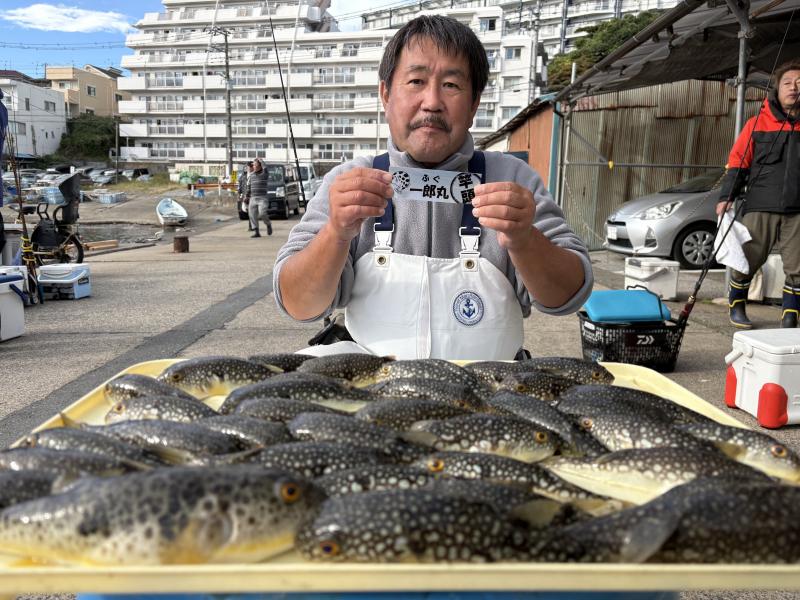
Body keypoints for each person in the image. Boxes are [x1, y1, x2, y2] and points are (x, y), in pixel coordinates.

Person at [273, 15, 592, 360]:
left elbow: (567, 297)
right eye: (416, 80)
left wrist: (524, 238)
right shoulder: (349, 181)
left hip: (488, 400)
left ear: (473, 105)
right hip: (375, 401)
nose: (432, 102)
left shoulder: (513, 179)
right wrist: (336, 232)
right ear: (385, 94)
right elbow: (297, 303)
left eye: (452, 85)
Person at [718, 59, 800, 329]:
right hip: (760, 204)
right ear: (776, 90)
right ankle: (736, 305)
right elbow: (738, 161)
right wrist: (725, 197)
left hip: (797, 209)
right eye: (787, 83)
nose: (794, 87)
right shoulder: (757, 123)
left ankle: (791, 315)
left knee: (798, 268)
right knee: (748, 259)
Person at [246, 158, 272, 238]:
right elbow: (249, 186)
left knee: (262, 213)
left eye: (255, 165)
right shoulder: (251, 175)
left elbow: (266, 168)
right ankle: (257, 232)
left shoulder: (264, 174)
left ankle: (268, 224)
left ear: (260, 166)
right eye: (253, 165)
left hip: (262, 198)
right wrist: (247, 196)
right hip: (253, 198)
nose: (254, 166)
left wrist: (261, 160)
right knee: (252, 215)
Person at [239, 161, 253, 231]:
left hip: (252, 196)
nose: (248, 168)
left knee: (251, 211)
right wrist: (240, 194)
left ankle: (251, 226)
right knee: (245, 210)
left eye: (250, 167)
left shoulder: (255, 175)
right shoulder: (243, 176)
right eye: (247, 167)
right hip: (245, 195)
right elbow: (241, 185)